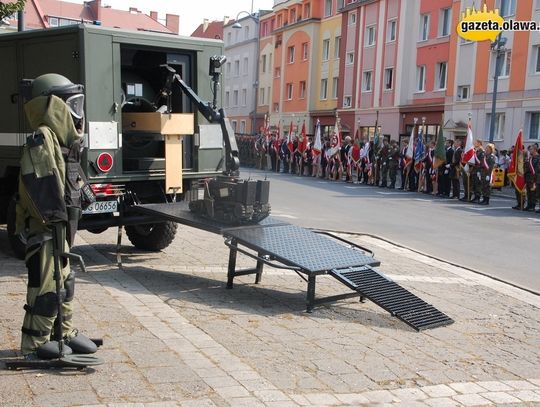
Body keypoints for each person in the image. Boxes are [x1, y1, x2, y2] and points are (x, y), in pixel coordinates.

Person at [16, 73, 97, 359]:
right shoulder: (42, 139)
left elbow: (71, 181)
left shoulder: (62, 142)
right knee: (46, 286)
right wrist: (53, 222)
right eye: (71, 105)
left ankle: (63, 331)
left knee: (65, 281)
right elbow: (38, 186)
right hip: (48, 229)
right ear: (53, 107)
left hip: (61, 230)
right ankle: (35, 343)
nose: (77, 113)